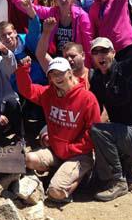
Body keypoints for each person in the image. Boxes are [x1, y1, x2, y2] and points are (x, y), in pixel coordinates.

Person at [89, 7, 132, 202]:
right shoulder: (98, 80)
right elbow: (94, 109)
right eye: (96, 52)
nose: (101, 55)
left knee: (100, 131)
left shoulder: (127, 69)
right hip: (125, 137)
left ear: (113, 52)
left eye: (105, 51)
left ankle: (117, 182)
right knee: (97, 132)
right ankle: (124, 173)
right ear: (93, 57)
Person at [17, 56, 100, 202]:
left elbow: (94, 132)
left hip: (78, 155)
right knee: (29, 159)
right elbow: (27, 90)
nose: (57, 77)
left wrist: (71, 149)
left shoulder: (87, 98)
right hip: (56, 152)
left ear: (69, 73)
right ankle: (60, 171)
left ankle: (83, 178)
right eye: (53, 74)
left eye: (60, 73)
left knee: (55, 193)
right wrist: (23, 71)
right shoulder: (49, 93)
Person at [12, 0, 93, 66]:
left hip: (74, 58)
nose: (63, 0)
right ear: (56, 0)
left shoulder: (82, 15)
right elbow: (29, 7)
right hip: (56, 58)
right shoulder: (52, 12)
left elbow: (87, 41)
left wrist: (88, 64)